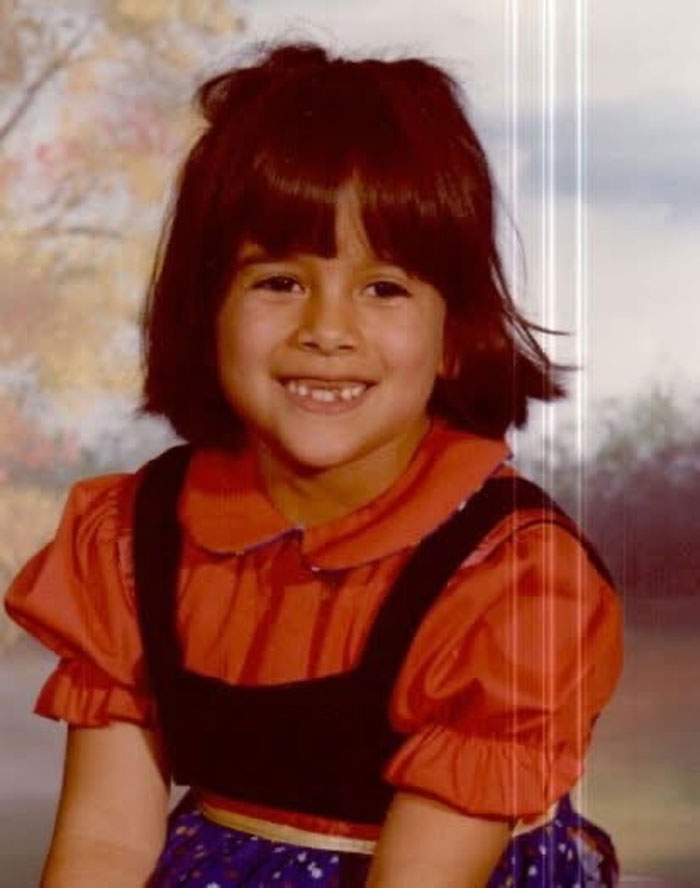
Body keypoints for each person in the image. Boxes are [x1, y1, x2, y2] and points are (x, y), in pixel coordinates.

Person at [5, 43, 622, 888]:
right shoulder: (132, 541)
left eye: (384, 289)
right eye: (279, 282)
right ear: (207, 308)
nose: (327, 330)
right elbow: (106, 842)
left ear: (456, 334)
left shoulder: (511, 579)